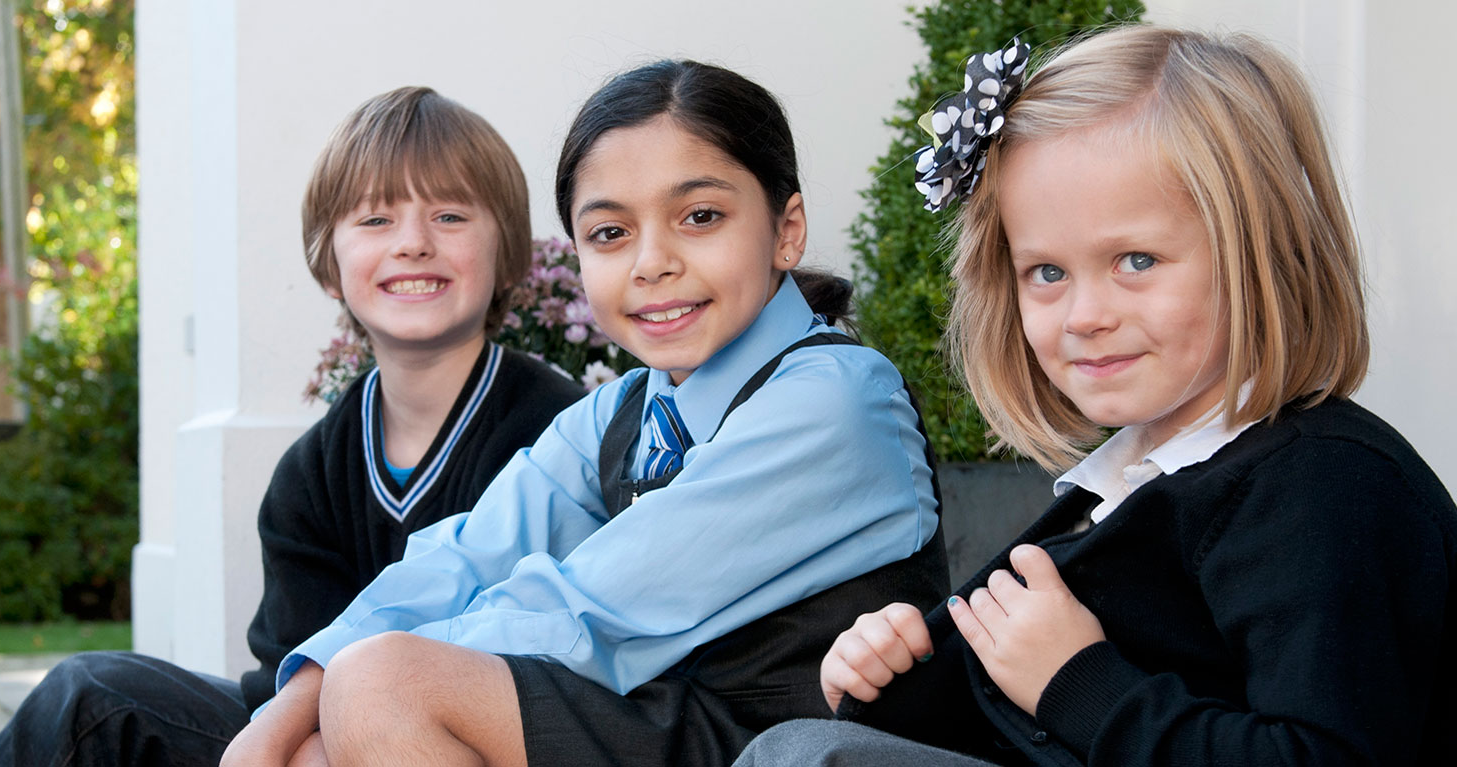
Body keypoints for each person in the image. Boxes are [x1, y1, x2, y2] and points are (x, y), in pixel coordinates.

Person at [735, 25, 1457, 767]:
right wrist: (888, 682)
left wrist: (1077, 681)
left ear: (1258, 249)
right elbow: (1015, 723)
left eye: (1135, 259)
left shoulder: (1330, 490)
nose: (1085, 314)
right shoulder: (1123, 485)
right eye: (1047, 273)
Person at [220, 60, 949, 767]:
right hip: (677, 725)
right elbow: (466, 557)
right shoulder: (619, 409)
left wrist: (365, 677)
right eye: (610, 232)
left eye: (700, 216)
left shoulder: (837, 397)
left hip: (798, 743)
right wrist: (281, 716)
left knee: (388, 687)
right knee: (330, 730)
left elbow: (590, 608)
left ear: (786, 229)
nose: (651, 261)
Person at [0, 86, 586, 767]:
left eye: (448, 214)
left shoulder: (556, 433)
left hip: (462, 740)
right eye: (376, 220)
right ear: (330, 264)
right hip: (302, 736)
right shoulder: (314, 469)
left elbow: (539, 658)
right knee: (93, 696)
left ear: (506, 250)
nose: (414, 243)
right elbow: (285, 681)